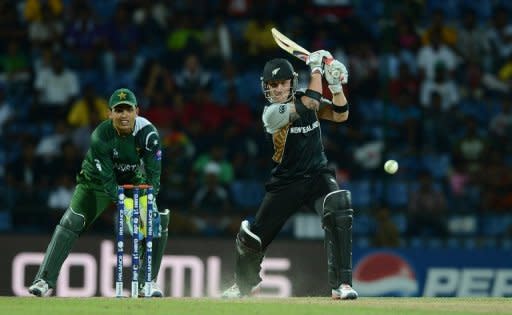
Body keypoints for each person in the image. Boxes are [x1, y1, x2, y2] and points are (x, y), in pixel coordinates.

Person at [222, 51, 358, 300]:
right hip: (286, 182)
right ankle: (245, 285)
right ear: (266, 88)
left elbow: (340, 114)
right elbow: (313, 102)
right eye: (273, 84)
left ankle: (342, 285)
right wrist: (318, 69)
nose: (278, 89)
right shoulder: (271, 113)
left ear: (292, 82)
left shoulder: (306, 97)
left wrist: (336, 87)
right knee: (251, 239)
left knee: (339, 205)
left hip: (318, 176)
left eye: (283, 83)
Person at [28, 88, 170, 297]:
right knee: (72, 221)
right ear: (109, 114)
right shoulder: (101, 136)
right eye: (118, 110)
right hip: (96, 181)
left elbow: (154, 176)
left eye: (128, 110)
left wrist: (146, 207)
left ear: (136, 111)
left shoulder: (148, 133)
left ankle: (145, 282)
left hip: (132, 179)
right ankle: (44, 280)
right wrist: (128, 209)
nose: (123, 115)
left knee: (154, 220)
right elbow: (109, 184)